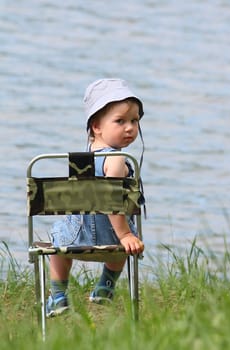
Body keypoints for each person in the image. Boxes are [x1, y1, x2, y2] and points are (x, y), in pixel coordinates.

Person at [46, 78, 145, 317]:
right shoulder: (119, 159)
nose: (130, 128)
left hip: (75, 239)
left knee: (56, 243)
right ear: (96, 126)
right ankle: (106, 286)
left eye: (134, 121)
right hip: (112, 240)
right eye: (120, 121)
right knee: (130, 241)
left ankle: (58, 295)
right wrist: (124, 234)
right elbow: (110, 198)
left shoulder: (83, 161)